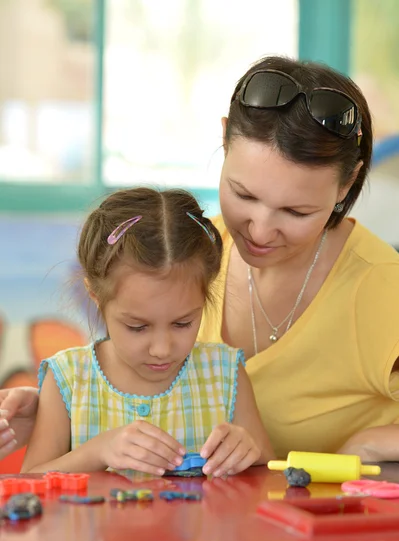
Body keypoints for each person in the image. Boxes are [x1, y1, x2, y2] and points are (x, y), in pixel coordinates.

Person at [2, 55, 399, 463]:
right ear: (225, 140)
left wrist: (371, 444)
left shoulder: (384, 290)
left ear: (347, 183)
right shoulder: (187, 250)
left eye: (296, 212)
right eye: (243, 195)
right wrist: (61, 408)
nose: (258, 231)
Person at [20, 187, 272, 475]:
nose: (162, 349)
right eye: (137, 327)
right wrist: (99, 451)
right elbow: (30, 482)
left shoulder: (226, 374)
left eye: (182, 323)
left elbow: (266, 468)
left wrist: (247, 451)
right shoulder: (69, 378)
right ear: (95, 295)